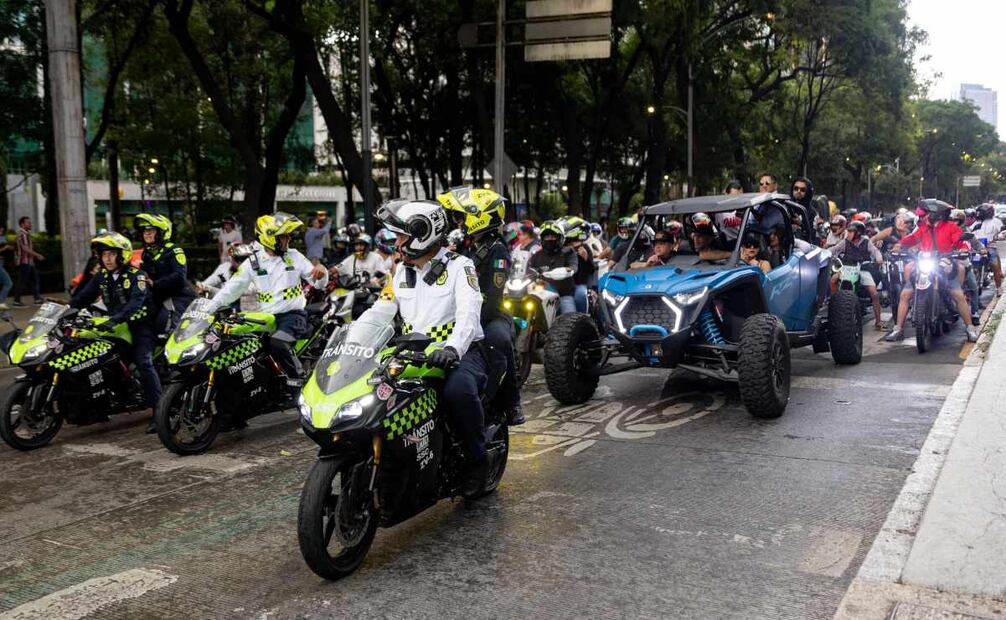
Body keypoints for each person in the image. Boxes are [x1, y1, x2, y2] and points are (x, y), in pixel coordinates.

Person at [360, 198, 490, 498]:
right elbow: (381, 309)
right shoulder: (401, 271)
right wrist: (356, 336)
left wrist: (453, 348)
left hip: (459, 352)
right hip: (410, 354)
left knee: (457, 392)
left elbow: (469, 313)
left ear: (423, 233)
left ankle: (477, 460)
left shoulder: (460, 266)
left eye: (402, 236)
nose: (398, 243)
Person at [211, 212, 328, 393]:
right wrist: (209, 309)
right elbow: (230, 290)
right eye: (283, 236)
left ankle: (300, 383)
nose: (288, 239)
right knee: (239, 347)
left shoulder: (295, 256)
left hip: (292, 315)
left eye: (288, 235)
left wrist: (322, 272)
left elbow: (318, 282)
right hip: (264, 318)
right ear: (270, 238)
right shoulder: (253, 262)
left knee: (278, 342)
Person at [438, 187, 523, 426]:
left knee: (500, 341)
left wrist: (469, 319)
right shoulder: (464, 244)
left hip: (489, 314)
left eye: (463, 216)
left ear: (480, 217)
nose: (459, 221)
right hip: (461, 311)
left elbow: (493, 296)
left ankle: (512, 402)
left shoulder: (497, 250)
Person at [70, 232, 160, 430]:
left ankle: (159, 412)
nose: (107, 259)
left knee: (144, 362)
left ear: (123, 254)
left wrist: (115, 319)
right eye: (104, 255)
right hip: (114, 327)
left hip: (140, 325)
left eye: (111, 254)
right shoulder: (101, 276)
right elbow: (82, 298)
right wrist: (67, 311)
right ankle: (98, 408)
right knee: (96, 360)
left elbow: (136, 302)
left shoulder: (136, 276)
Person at [885, 200, 978, 343]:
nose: (923, 217)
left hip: (945, 262)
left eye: (926, 214)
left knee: (957, 294)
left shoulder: (951, 227)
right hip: (924, 262)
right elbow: (911, 239)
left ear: (935, 214)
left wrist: (964, 249)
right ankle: (898, 328)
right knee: (905, 293)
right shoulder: (923, 228)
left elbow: (961, 241)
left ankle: (970, 328)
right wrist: (898, 245)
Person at [136, 213, 196, 333]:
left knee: (165, 325)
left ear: (162, 232)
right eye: (144, 231)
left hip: (179, 296)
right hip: (158, 297)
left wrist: (155, 283)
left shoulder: (173, 250)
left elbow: (179, 276)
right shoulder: (146, 253)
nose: (146, 233)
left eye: (151, 230)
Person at [830, 220, 885, 328]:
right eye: (848, 231)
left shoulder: (866, 242)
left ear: (858, 233)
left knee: (874, 293)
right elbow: (834, 249)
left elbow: (875, 251)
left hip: (862, 269)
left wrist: (879, 259)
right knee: (833, 280)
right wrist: (824, 252)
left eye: (851, 231)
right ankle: (834, 305)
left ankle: (878, 321)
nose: (848, 233)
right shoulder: (845, 242)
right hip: (846, 268)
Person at [529, 220, 578, 314]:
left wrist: (567, 270)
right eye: (547, 236)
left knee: (570, 318)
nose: (550, 239)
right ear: (542, 238)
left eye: (553, 236)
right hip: (541, 295)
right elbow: (529, 271)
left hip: (563, 295)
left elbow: (573, 267)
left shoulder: (568, 252)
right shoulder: (536, 256)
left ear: (560, 237)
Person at [561, 216, 596, 313]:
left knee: (580, 294)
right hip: (561, 284)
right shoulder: (558, 247)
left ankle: (582, 318)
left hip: (578, 283)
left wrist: (585, 259)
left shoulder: (584, 247)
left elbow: (590, 270)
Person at [12, 216, 44, 307]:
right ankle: (17, 301)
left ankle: (37, 298)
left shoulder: (25, 234)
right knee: (22, 281)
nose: (30, 224)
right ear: (22, 224)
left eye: (30, 222)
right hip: (24, 261)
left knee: (34, 279)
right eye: (28, 223)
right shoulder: (22, 234)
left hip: (29, 262)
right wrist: (37, 255)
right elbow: (25, 248)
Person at [971, 203, 1003, 295]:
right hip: (977, 248)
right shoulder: (976, 223)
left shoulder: (996, 222)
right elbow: (970, 231)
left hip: (990, 247)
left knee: (995, 267)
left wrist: (1000, 236)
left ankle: (998, 287)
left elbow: (1001, 231)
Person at [0, 225, 13, 310]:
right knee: (8, 283)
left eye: (2, 231)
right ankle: (1, 302)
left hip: (2, 262)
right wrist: (5, 248)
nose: (1, 233)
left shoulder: (2, 238)